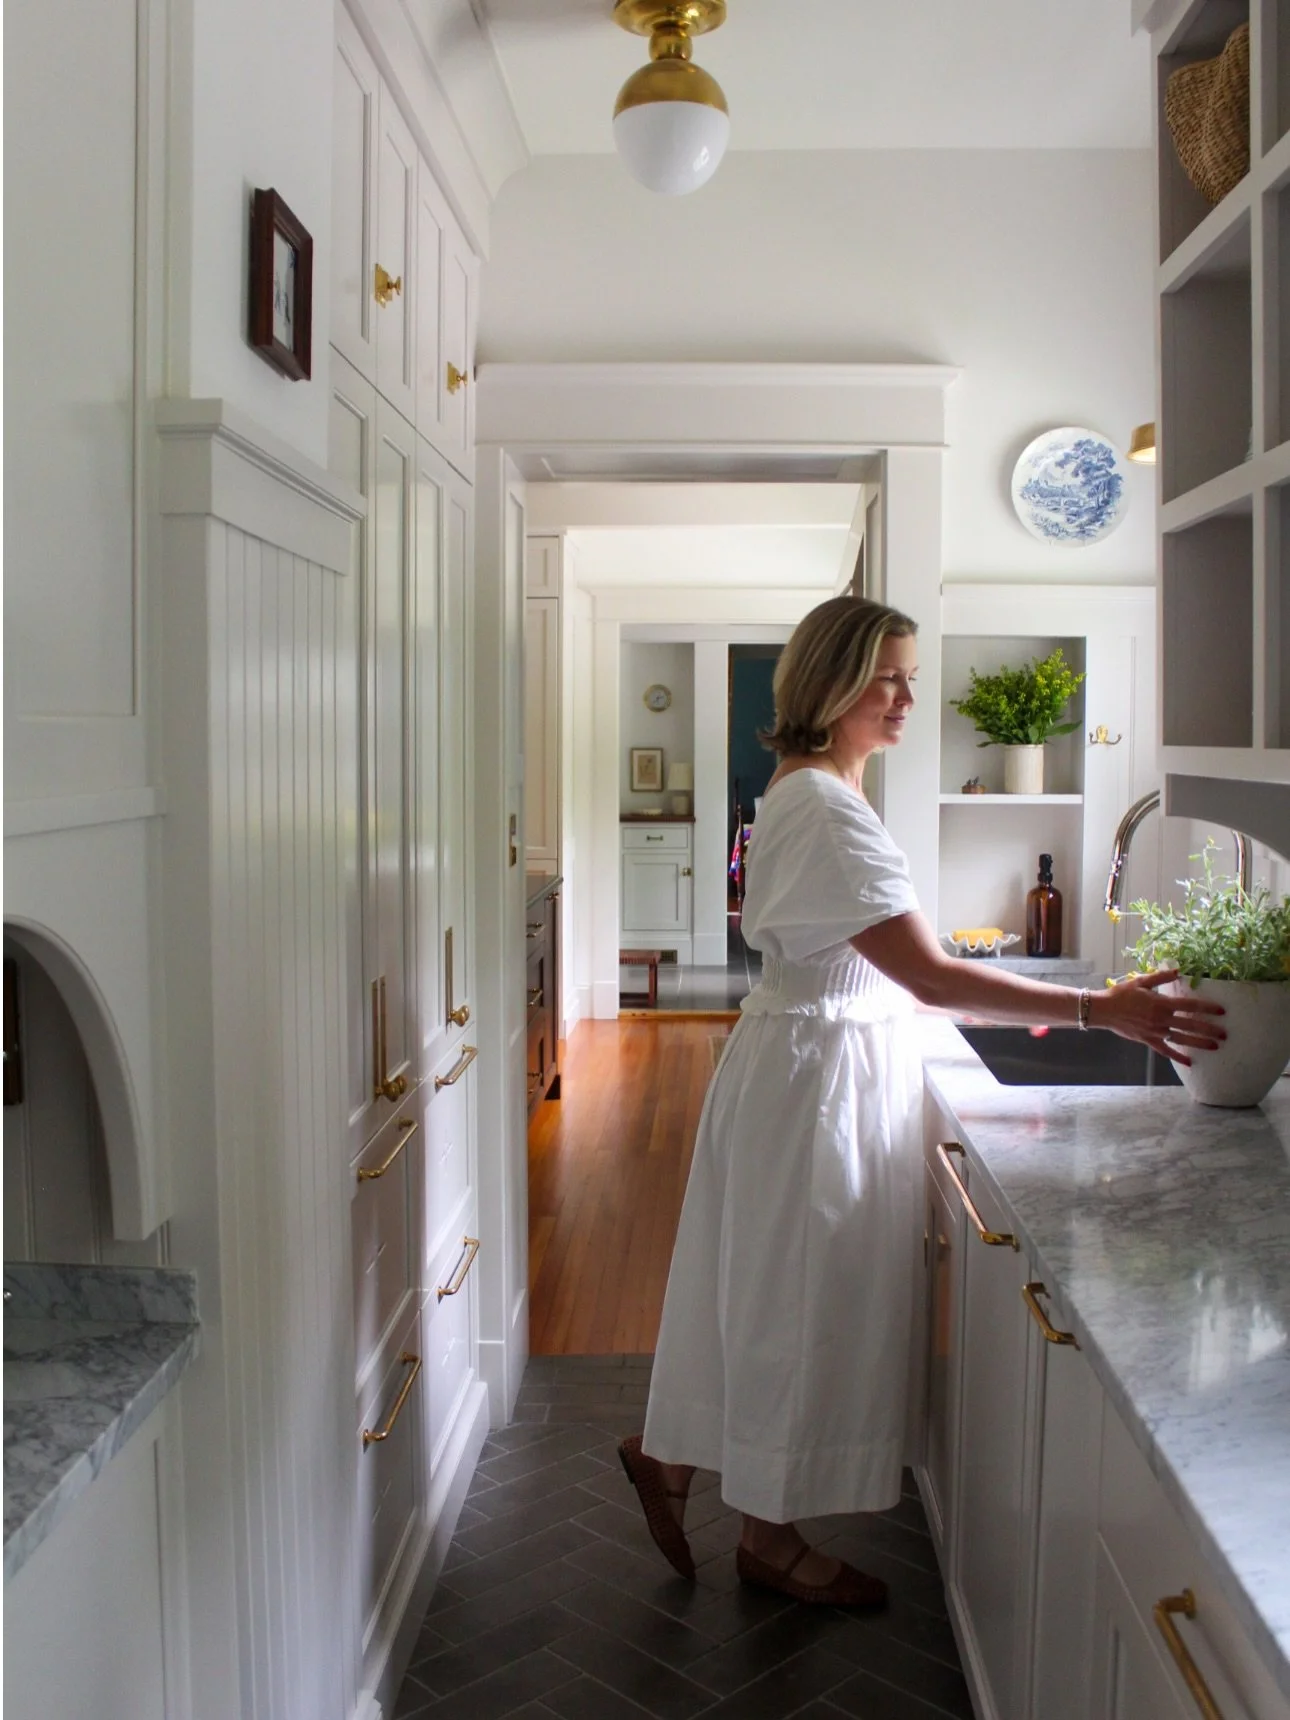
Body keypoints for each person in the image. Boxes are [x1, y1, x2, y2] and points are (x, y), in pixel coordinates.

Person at [617, 595, 1224, 1608]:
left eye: (909, 674)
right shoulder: (824, 808)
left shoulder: (819, 793)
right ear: (829, 684)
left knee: (776, 1296)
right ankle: (761, 1535)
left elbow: (900, 970)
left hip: (807, 1061)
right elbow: (934, 977)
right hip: (817, 1079)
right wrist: (1099, 1008)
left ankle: (682, 1466)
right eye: (885, 676)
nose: (907, 695)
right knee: (803, 1306)